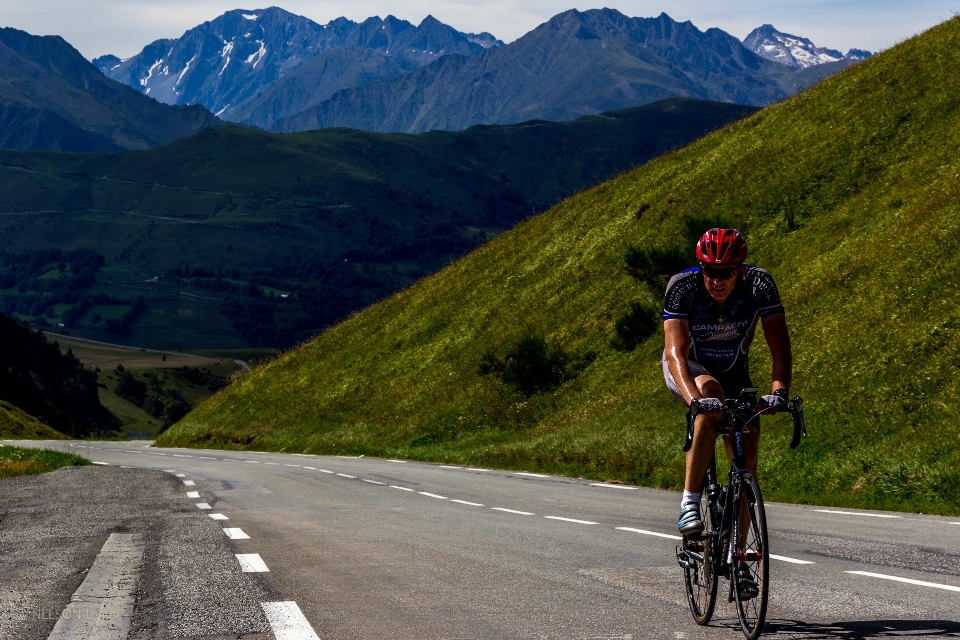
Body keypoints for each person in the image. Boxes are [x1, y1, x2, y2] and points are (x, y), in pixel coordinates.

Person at [662, 228, 793, 536]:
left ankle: (739, 554)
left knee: (747, 451)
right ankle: (689, 503)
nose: (717, 281)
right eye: (710, 271)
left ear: (741, 269)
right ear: (701, 267)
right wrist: (694, 399)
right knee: (712, 395)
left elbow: (780, 346)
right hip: (688, 368)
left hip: (734, 370)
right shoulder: (683, 286)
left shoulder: (760, 285)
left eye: (726, 272)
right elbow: (675, 352)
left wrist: (779, 391)